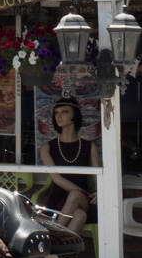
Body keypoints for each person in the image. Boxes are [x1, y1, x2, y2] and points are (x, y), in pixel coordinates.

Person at [40, 97, 100, 234]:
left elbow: (97, 176)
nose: (59, 116)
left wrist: (98, 191)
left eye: (64, 112)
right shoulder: (47, 147)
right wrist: (81, 192)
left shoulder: (89, 146)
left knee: (75, 195)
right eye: (56, 113)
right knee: (79, 215)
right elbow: (56, 178)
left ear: (74, 115)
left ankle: (51, 236)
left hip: (84, 200)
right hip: (59, 199)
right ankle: (62, 246)